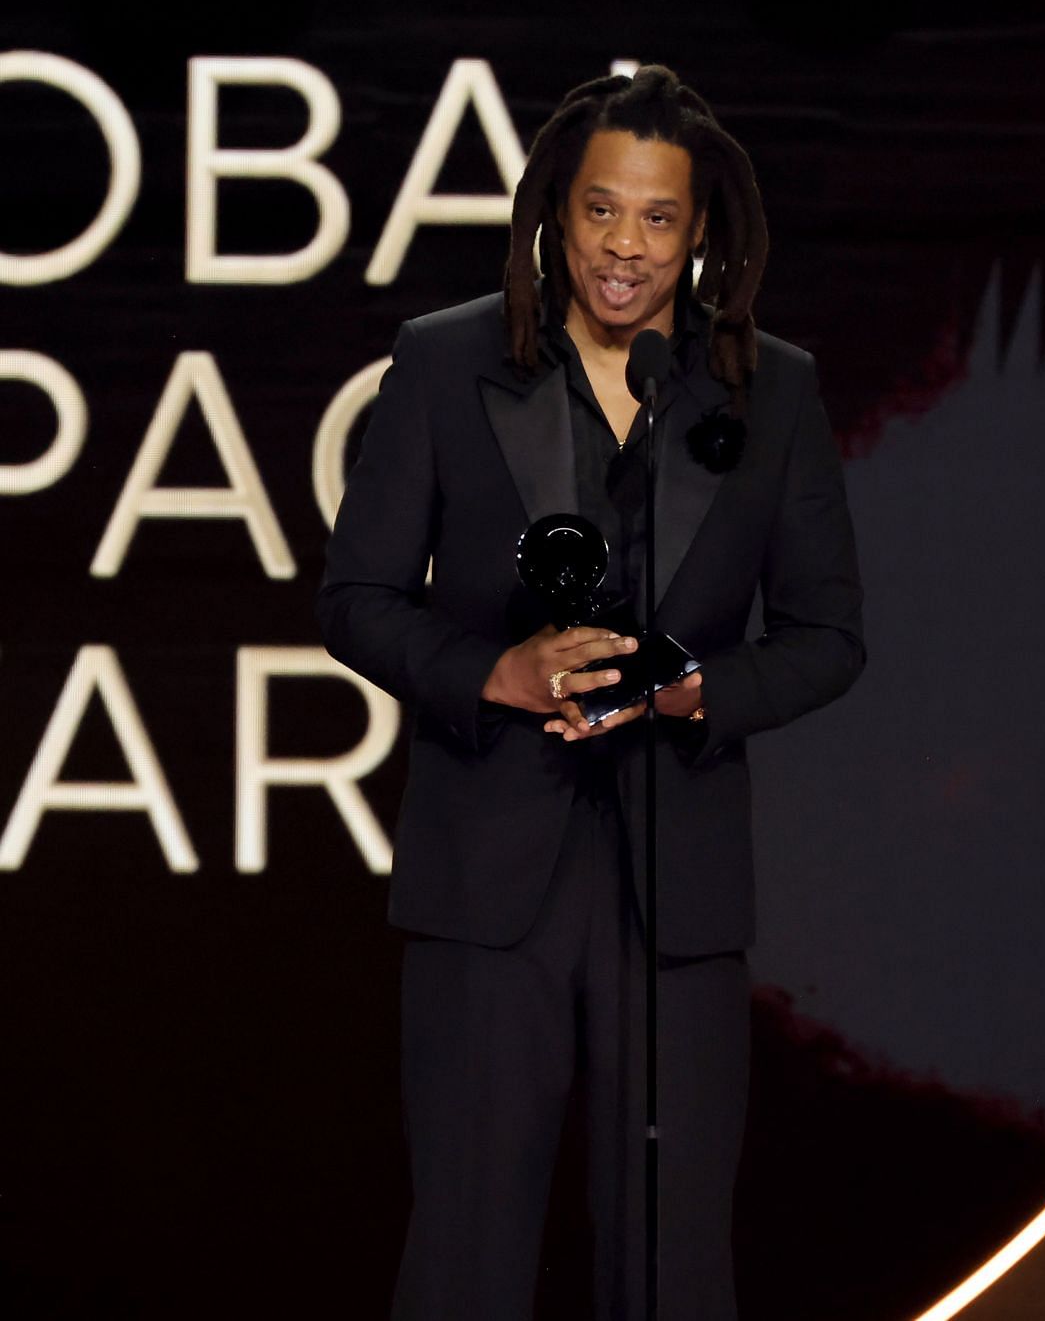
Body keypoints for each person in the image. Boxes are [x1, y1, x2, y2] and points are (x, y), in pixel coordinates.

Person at [316, 66, 864, 1320]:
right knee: (464, 1255)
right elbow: (356, 596)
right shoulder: (448, 361)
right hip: (486, 881)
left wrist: (693, 693)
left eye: (659, 218)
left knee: (673, 1267)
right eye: (602, 211)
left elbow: (830, 636)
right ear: (555, 215)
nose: (626, 246)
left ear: (702, 230)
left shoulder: (771, 389)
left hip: (679, 892)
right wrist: (491, 674)